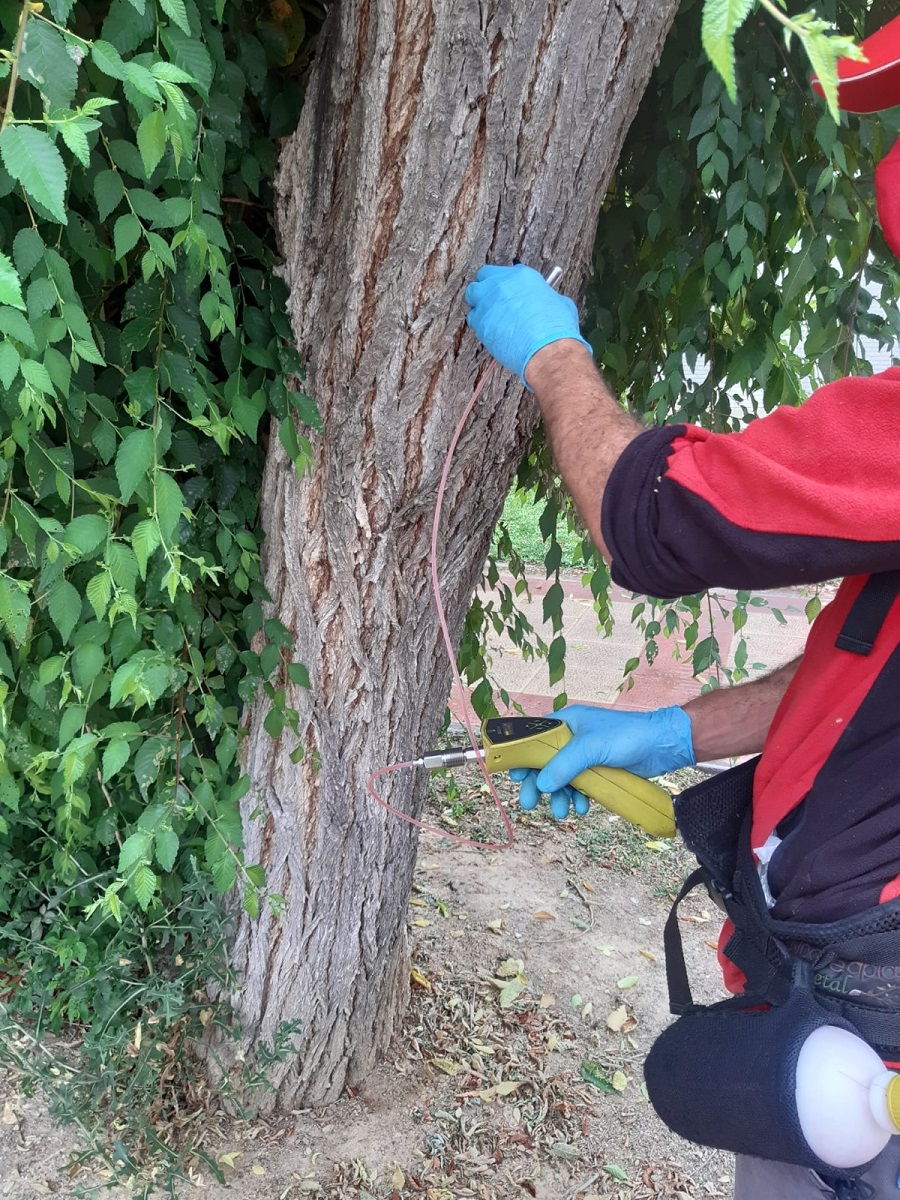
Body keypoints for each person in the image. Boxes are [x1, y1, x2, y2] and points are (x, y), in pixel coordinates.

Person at [465, 15, 900, 1200]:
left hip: (872, 1038)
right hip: (840, 1017)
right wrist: (664, 736)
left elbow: (653, 520)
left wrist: (555, 358)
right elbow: (861, 679)